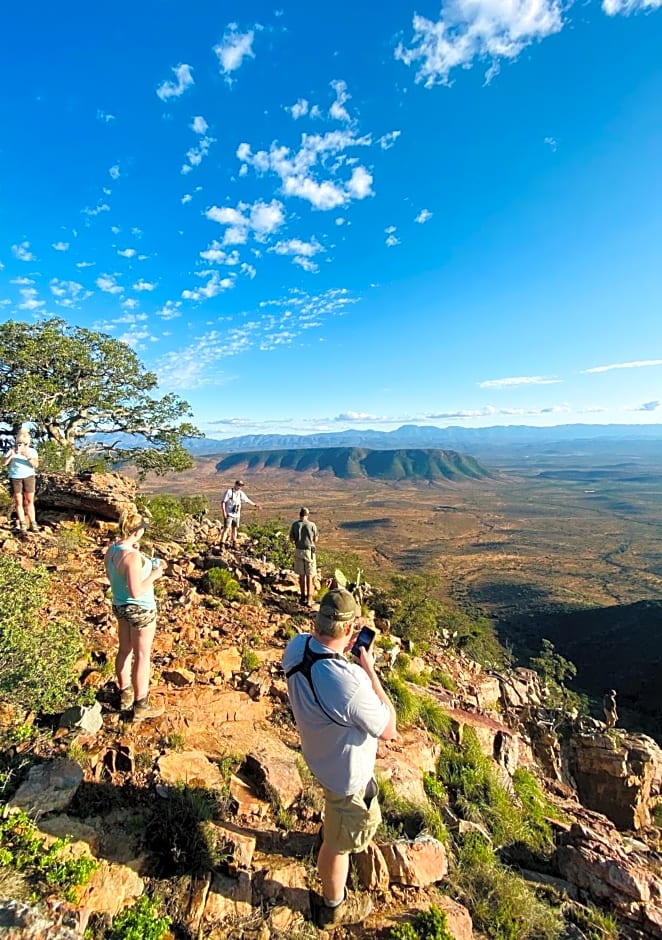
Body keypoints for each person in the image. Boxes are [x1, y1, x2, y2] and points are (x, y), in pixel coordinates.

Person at [282, 588, 398, 928]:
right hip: (346, 780)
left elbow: (322, 668)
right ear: (349, 631)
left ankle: (328, 834)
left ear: (316, 623)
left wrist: (342, 657)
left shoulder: (296, 647)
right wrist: (369, 670)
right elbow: (389, 726)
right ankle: (333, 906)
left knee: (335, 820)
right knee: (338, 848)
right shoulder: (350, 683)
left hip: (320, 757)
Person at [104, 508, 165, 721]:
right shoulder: (131, 557)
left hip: (120, 606)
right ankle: (141, 705)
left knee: (124, 650)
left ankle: (125, 692)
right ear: (137, 531)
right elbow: (137, 590)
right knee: (142, 656)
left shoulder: (112, 551)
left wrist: (133, 550)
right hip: (140, 609)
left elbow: (115, 576)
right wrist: (155, 574)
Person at [2, 429, 40, 533]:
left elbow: (36, 465)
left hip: (29, 476)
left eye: (24, 443)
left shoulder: (32, 451)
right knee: (18, 500)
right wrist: (11, 455)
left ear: (28, 443)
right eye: (19, 443)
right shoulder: (12, 450)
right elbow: (4, 463)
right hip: (15, 477)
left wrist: (27, 456)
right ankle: (22, 523)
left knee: (29, 500)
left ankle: (33, 523)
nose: (21, 445)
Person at [289, 506, 318, 606]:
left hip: (298, 551)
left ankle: (302, 597)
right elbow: (316, 539)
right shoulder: (312, 525)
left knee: (301, 576)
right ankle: (309, 599)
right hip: (309, 552)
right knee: (309, 575)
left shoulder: (295, 525)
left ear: (300, 514)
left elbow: (291, 539)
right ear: (307, 515)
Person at [220, 479, 260, 548]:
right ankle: (222, 543)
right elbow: (223, 502)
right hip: (229, 514)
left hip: (236, 514)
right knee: (226, 528)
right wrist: (224, 512)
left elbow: (247, 500)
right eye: (238, 485)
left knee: (234, 528)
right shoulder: (229, 492)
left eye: (241, 486)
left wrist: (255, 505)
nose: (239, 487)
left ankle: (234, 542)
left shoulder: (241, 493)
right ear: (235, 484)